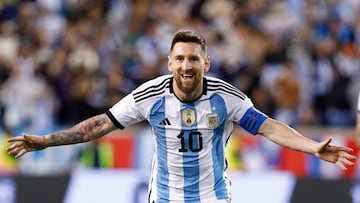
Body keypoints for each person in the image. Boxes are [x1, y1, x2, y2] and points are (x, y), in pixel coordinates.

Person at [6, 30, 356, 203]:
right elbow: (99, 124)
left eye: (193, 58)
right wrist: (47, 141)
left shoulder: (226, 98)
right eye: (180, 59)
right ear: (170, 63)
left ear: (206, 63)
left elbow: (268, 127)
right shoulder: (150, 96)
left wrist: (312, 148)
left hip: (213, 197)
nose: (186, 65)